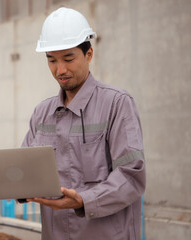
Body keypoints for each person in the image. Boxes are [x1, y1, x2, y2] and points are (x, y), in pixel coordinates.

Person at [22, 7, 146, 239]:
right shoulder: (42, 114)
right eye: (52, 60)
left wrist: (83, 200)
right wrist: (10, 185)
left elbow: (131, 176)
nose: (60, 70)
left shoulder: (117, 104)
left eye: (69, 58)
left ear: (89, 54)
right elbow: (25, 170)